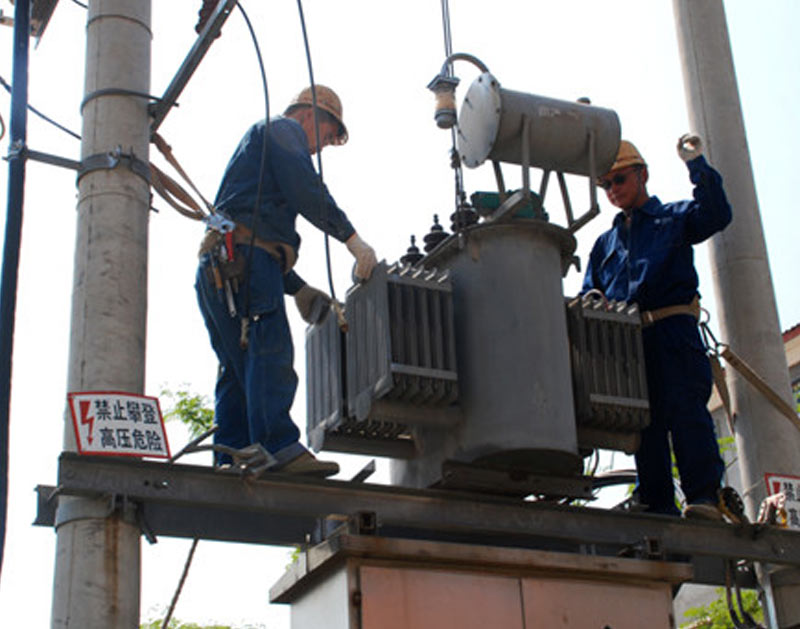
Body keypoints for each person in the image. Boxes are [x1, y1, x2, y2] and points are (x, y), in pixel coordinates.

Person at [195, 85, 378, 477]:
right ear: (309, 115)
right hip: (243, 263)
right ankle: (280, 448)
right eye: (327, 137)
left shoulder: (257, 147)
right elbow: (306, 189)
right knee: (270, 348)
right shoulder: (284, 131)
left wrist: (296, 287)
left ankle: (234, 455)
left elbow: (250, 231)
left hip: (220, 268)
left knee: (237, 364)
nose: (320, 148)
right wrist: (352, 239)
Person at [582, 135, 732, 519]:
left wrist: (696, 163)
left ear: (642, 175)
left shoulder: (673, 219)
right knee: (641, 422)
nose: (613, 190)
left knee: (685, 411)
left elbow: (716, 214)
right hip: (628, 342)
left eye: (620, 180)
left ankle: (703, 496)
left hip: (673, 330)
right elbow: (589, 299)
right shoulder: (604, 245)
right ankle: (656, 503)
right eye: (606, 185)